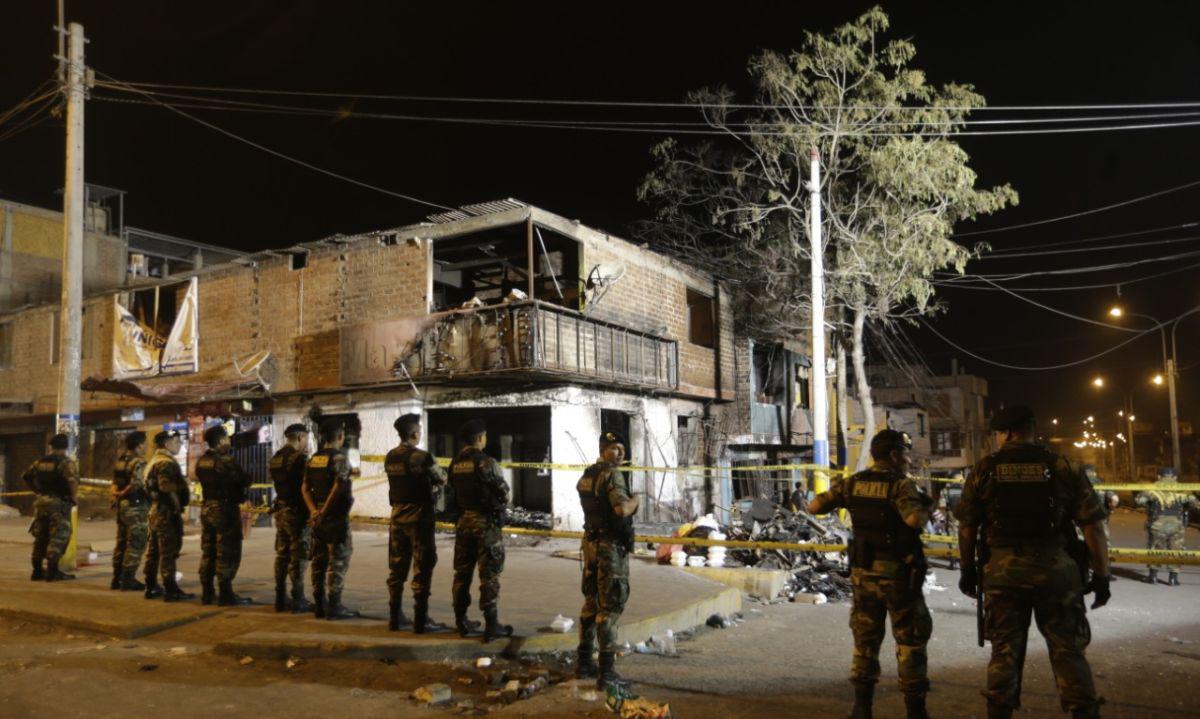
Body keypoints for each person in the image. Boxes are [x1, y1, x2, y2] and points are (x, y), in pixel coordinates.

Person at [956, 405, 1110, 719]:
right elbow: (1093, 526)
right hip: (1056, 572)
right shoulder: (1063, 466)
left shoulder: (985, 468)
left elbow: (967, 526)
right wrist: (1103, 575)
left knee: (1005, 652)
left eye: (998, 433)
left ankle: (999, 712)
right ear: (1031, 429)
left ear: (1008, 432)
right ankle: (1084, 712)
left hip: (1002, 574)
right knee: (1068, 651)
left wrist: (968, 570)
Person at [808, 429, 934, 719]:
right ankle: (916, 710)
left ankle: (862, 707)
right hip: (899, 578)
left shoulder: (854, 483)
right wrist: (927, 508)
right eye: (904, 453)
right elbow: (913, 519)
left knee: (865, 642)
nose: (907, 459)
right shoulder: (900, 485)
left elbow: (814, 506)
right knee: (911, 641)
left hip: (864, 577)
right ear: (893, 455)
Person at [576, 430, 639, 691]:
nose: (620, 453)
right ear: (603, 449)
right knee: (610, 606)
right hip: (609, 547)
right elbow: (621, 509)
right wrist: (636, 500)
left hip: (590, 544)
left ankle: (583, 661)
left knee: (591, 602)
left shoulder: (588, 474)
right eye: (614, 448)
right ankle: (607, 672)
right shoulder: (612, 475)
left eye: (623, 448)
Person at [449, 418, 513, 642]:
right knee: (489, 576)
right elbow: (504, 494)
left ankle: (461, 621)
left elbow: (452, 491)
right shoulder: (486, 462)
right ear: (479, 438)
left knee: (461, 574)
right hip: (486, 525)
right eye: (484, 436)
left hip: (463, 523)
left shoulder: (455, 463)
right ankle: (492, 626)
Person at [385, 413, 447, 633]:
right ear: (413, 433)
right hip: (419, 518)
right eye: (419, 431)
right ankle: (421, 621)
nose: (420, 434)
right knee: (422, 566)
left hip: (397, 516)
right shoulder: (422, 457)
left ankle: (395, 618)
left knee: (397, 568)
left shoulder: (390, 456)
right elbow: (442, 478)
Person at [302, 418, 359, 620]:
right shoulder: (339, 459)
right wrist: (325, 511)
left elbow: (305, 488)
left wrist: (314, 511)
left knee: (318, 562)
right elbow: (338, 487)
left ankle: (319, 605)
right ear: (340, 436)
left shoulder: (313, 459)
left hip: (317, 519)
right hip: (334, 518)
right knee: (338, 561)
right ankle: (334, 606)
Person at [195, 425, 254, 606]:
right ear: (220, 441)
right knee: (227, 550)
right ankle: (226, 593)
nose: (229, 441)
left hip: (207, 509)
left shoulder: (202, 461)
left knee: (209, 550)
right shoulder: (226, 460)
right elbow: (243, 480)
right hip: (225, 510)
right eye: (227, 439)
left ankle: (207, 592)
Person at [22, 433, 78, 582]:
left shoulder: (39, 462)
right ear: (66, 446)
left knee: (41, 536)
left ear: (51, 446)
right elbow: (72, 481)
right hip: (58, 503)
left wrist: (38, 491)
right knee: (59, 536)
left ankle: (37, 571)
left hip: (41, 503)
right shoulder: (66, 462)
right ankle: (53, 572)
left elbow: (26, 476)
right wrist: (73, 498)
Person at [270, 423, 313, 613]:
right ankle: (298, 598)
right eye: (306, 438)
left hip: (281, 510)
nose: (307, 442)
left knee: (282, 554)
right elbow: (306, 486)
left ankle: (280, 597)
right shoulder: (299, 459)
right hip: (297, 512)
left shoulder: (276, 458)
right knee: (298, 556)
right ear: (299, 437)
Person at [147, 430, 194, 602]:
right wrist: (183, 483)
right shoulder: (166, 463)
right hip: (166, 512)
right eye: (176, 442)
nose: (179, 445)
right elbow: (165, 486)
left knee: (154, 551)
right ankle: (170, 589)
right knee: (168, 551)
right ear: (167, 444)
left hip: (155, 510)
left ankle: (151, 586)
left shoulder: (154, 460)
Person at [1135, 472, 1198, 586]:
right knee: (1176, 550)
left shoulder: (1152, 488)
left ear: (1159, 476)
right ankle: (1173, 579)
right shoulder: (1183, 489)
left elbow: (1139, 501)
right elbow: (1196, 504)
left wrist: (1150, 503)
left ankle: (1153, 577)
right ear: (1175, 477)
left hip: (1157, 523)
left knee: (1155, 549)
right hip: (1177, 524)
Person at [111, 431, 149, 591]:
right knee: (136, 542)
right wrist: (122, 493)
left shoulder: (120, 461)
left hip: (122, 506)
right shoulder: (138, 462)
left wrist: (116, 495)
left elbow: (114, 482)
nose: (147, 446)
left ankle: (116, 578)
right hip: (135, 506)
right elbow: (136, 484)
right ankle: (128, 579)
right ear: (139, 446)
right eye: (145, 443)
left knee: (121, 542)